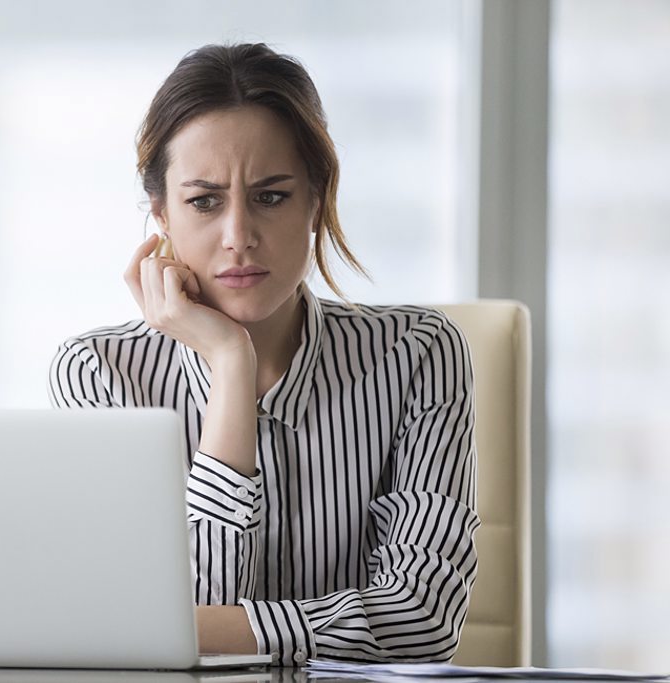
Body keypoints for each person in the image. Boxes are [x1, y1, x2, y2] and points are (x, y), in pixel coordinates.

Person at [48, 42, 479, 666]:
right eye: (204, 201)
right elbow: (185, 627)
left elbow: (420, 620)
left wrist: (191, 629)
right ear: (161, 214)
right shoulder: (101, 374)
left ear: (316, 200)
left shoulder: (418, 354)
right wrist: (230, 365)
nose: (238, 237)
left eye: (271, 196)